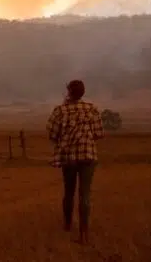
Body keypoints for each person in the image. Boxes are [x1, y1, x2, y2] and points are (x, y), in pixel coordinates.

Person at [46, 79, 104, 244]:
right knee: (84, 194)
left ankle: (67, 225)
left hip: (69, 157)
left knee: (69, 192)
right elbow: (99, 134)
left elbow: (52, 134)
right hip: (88, 156)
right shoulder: (91, 109)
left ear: (69, 91)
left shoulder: (60, 110)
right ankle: (84, 233)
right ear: (83, 93)